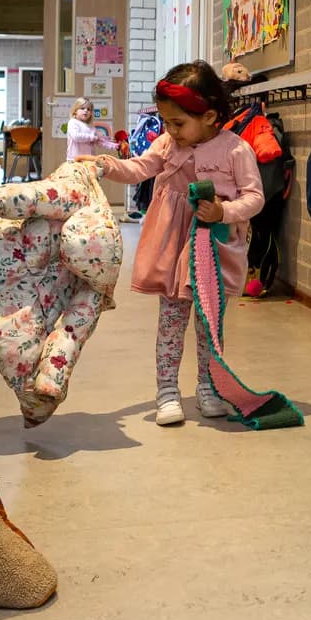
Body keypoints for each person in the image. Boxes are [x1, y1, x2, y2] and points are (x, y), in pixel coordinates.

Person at [79, 61, 264, 425]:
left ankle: (208, 388)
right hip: (172, 243)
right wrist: (104, 165)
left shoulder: (236, 150)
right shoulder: (166, 143)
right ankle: (167, 392)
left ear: (210, 115)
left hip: (214, 248)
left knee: (210, 324)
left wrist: (223, 212)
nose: (170, 130)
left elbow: (254, 198)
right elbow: (140, 168)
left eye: (178, 123)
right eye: (167, 122)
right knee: (171, 320)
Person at [63, 96, 121, 161]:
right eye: (82, 108)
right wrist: (92, 137)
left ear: (91, 113)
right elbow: (75, 136)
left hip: (89, 160)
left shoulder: (91, 127)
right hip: (74, 160)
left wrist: (114, 146)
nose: (86, 110)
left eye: (88, 109)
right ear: (75, 111)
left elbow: (100, 141)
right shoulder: (73, 122)